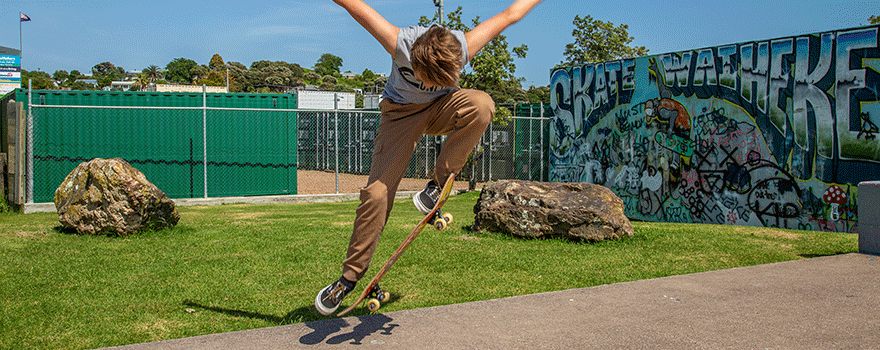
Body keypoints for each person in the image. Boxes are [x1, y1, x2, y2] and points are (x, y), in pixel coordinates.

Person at [317, 0, 544, 316]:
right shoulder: (397, 42)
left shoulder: (463, 48)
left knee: (482, 105)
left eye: (433, 82)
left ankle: (437, 185)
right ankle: (349, 278)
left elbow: (511, 14)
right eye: (422, 78)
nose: (425, 85)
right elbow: (354, 6)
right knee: (377, 194)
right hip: (399, 116)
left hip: (442, 109)